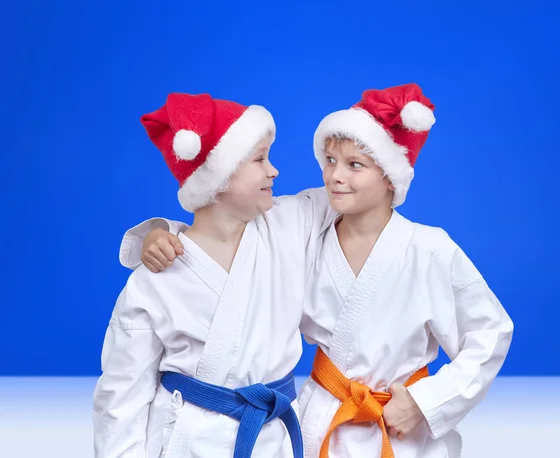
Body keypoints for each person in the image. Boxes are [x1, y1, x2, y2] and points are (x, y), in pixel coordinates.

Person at [125, 84, 514, 458]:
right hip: (320, 419)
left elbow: (490, 332)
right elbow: (223, 224)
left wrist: (425, 403)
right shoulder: (305, 230)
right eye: (329, 161)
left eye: (354, 165)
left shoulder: (429, 250)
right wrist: (162, 233)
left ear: (390, 176)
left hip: (397, 424)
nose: (335, 176)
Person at [92, 92, 333, 458]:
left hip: (273, 438)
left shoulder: (288, 225)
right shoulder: (156, 278)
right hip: (188, 442)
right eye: (259, 159)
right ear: (217, 178)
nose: (274, 170)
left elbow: (354, 193)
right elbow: (121, 396)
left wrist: (388, 144)